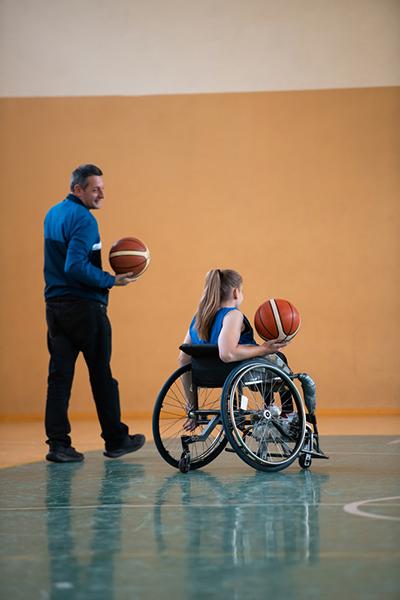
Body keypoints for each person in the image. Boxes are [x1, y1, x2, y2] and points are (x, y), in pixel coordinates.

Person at [44, 164, 145, 463]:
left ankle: (58, 445)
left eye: (102, 186)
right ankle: (116, 439)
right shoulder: (85, 220)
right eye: (94, 188)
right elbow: (74, 266)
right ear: (78, 190)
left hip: (56, 308)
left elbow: (60, 265)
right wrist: (110, 280)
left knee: (59, 379)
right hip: (85, 309)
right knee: (101, 376)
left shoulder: (53, 214)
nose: (102, 193)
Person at [179, 269, 294, 430]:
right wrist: (263, 349)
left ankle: (270, 405)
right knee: (278, 358)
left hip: (205, 374)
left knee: (266, 360)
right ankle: (286, 413)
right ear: (235, 292)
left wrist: (193, 406)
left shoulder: (199, 318)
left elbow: (183, 359)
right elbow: (227, 354)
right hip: (236, 372)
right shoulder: (233, 315)